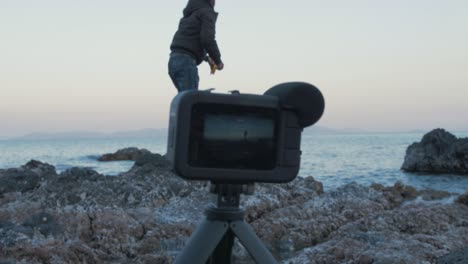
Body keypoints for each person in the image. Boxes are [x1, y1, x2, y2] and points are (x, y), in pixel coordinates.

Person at [168, 0, 224, 92]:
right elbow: (207, 40)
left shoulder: (190, 14)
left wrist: (206, 58)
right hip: (186, 63)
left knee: (185, 100)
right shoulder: (207, 12)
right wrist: (218, 62)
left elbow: (189, 41)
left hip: (174, 61)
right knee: (191, 101)